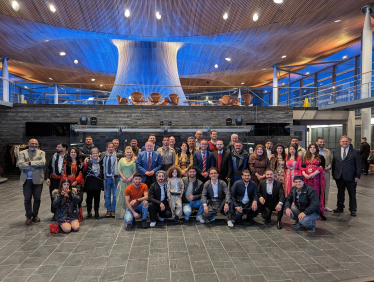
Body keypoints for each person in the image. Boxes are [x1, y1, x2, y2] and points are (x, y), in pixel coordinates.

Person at [17, 139, 46, 225]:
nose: (34, 145)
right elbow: (20, 164)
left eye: (35, 143)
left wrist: (29, 163)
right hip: (26, 179)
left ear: (38, 144)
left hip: (38, 178)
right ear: (28, 144)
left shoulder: (42, 153)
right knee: (27, 199)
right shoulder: (22, 153)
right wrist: (35, 165)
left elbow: (42, 163)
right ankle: (28, 217)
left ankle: (35, 215)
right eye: (32, 143)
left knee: (37, 198)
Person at [332, 136, 361, 216]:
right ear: (340, 142)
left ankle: (353, 209)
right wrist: (333, 174)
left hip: (351, 177)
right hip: (339, 176)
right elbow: (334, 164)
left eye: (346, 141)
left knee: (352, 193)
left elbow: (358, 165)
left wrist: (357, 176)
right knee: (340, 192)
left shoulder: (355, 152)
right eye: (343, 141)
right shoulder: (336, 151)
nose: (345, 143)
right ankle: (340, 207)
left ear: (349, 142)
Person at [301, 143, 326, 220]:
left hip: (316, 179)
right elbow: (302, 168)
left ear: (316, 149)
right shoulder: (305, 158)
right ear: (308, 149)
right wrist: (305, 175)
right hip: (307, 179)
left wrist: (313, 174)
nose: (312, 149)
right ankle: (307, 212)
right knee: (307, 194)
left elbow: (322, 167)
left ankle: (317, 212)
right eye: (311, 147)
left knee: (316, 194)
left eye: (314, 147)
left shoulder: (320, 157)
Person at [46, 142, 68, 220]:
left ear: (64, 148)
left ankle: (65, 213)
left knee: (65, 195)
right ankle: (55, 213)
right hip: (54, 179)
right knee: (54, 196)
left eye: (59, 147)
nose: (57, 148)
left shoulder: (68, 156)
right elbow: (48, 167)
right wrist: (47, 178)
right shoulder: (54, 156)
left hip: (65, 180)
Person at [61, 147, 84, 221]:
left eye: (75, 152)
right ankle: (68, 216)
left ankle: (78, 217)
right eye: (72, 152)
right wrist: (67, 182)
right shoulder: (65, 162)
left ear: (77, 154)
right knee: (67, 199)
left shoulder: (80, 163)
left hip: (77, 183)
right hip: (67, 183)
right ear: (69, 153)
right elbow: (63, 173)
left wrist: (76, 181)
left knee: (77, 199)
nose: (73, 154)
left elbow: (81, 173)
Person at [116, 146, 137, 219]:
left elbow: (135, 170)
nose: (129, 153)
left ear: (132, 153)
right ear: (125, 153)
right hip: (122, 181)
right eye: (127, 152)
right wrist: (124, 177)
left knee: (131, 198)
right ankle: (122, 214)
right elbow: (119, 170)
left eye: (130, 152)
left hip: (131, 182)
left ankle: (131, 213)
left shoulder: (134, 160)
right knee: (122, 198)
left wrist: (131, 177)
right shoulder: (121, 160)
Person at [84, 148, 103, 218]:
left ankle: (96, 211)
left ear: (98, 154)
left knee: (97, 198)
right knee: (89, 198)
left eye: (96, 153)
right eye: (93, 153)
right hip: (89, 182)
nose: (95, 155)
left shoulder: (101, 162)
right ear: (90, 155)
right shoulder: (87, 162)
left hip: (98, 182)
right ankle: (89, 212)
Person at [101, 142, 120, 218]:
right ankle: (108, 210)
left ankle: (113, 210)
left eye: (112, 147)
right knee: (107, 195)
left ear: (114, 148)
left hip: (115, 178)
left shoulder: (118, 156)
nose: (111, 148)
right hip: (106, 178)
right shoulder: (103, 156)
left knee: (115, 195)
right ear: (107, 148)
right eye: (109, 147)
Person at [316, 137, 333, 212]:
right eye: (320, 142)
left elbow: (330, 161)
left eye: (323, 142)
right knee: (316, 189)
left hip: (325, 173)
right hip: (315, 173)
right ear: (317, 143)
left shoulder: (327, 151)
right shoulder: (314, 151)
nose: (322, 143)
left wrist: (329, 166)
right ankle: (315, 205)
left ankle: (324, 205)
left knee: (326, 188)